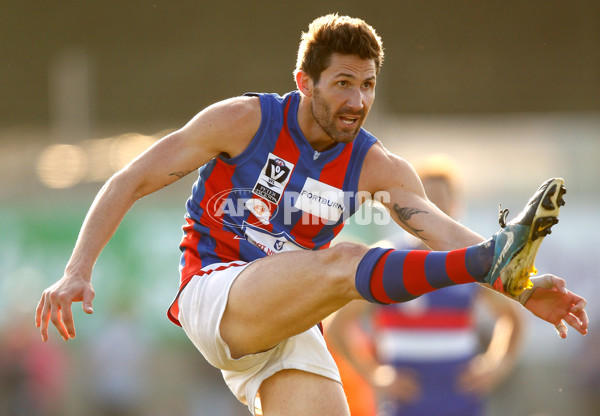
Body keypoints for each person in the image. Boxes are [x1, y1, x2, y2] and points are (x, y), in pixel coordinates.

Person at [35, 14, 588, 416]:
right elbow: (129, 179)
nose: (357, 100)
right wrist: (77, 269)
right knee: (346, 263)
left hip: (292, 319)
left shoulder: (376, 165)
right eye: (343, 83)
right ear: (306, 82)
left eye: (367, 85)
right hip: (216, 293)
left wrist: (522, 286)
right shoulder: (244, 121)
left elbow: (441, 231)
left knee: (341, 270)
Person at [326, 154, 524, 416]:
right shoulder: (388, 259)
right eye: (428, 203)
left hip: (462, 404)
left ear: (455, 207)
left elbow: (512, 318)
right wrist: (376, 375)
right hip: (405, 406)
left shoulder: (471, 261)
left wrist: (495, 366)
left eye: (442, 202)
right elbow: (338, 326)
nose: (435, 212)